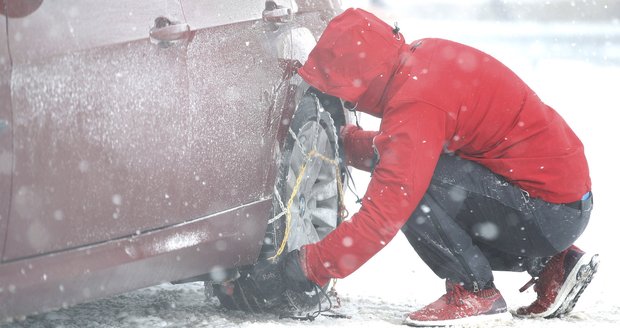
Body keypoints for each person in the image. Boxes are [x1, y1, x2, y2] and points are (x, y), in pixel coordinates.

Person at [251, 8, 598, 326]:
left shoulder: (415, 103)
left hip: (544, 212)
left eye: (347, 95)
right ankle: (552, 264)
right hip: (561, 201)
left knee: (416, 190)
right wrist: (349, 143)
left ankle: (474, 291)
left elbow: (382, 216)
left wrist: (310, 265)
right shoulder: (422, 61)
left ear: (363, 81)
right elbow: (412, 147)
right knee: (419, 175)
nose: (350, 103)